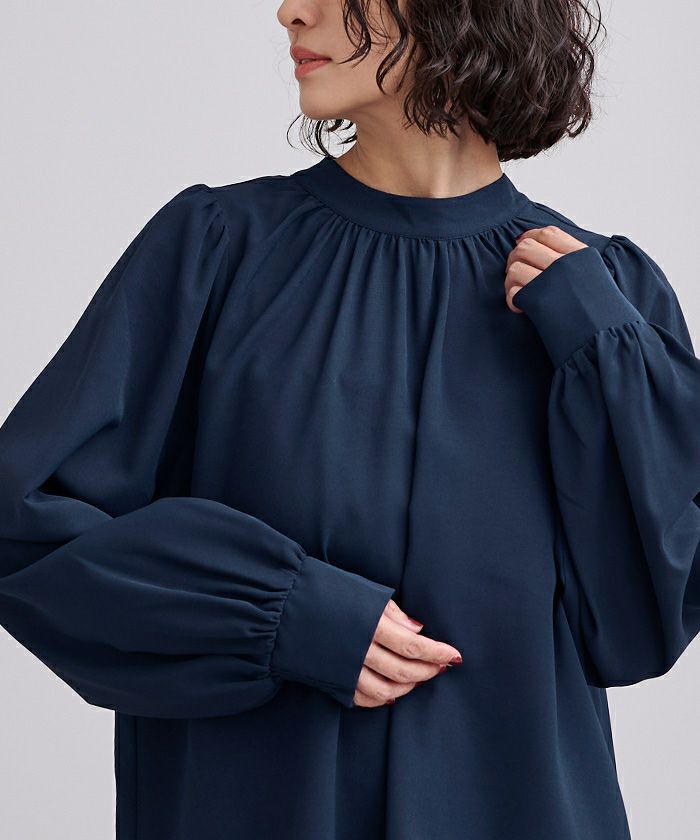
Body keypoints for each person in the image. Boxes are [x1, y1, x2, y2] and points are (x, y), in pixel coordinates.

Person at [1, 1, 699, 838]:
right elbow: (22, 523)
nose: (291, 11)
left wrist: (603, 350)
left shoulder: (606, 296)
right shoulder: (218, 250)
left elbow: (640, 625)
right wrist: (276, 613)